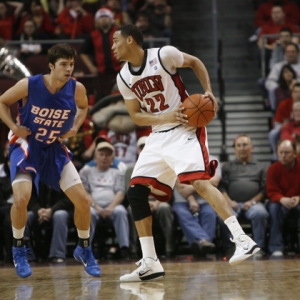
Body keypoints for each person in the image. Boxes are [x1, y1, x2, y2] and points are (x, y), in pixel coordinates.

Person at [112, 24, 260, 282]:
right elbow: (136, 116)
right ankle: (150, 261)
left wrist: (209, 92)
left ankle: (242, 239)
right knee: (135, 191)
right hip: (157, 135)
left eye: (116, 41)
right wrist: (166, 115)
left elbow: (195, 62)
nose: (112, 46)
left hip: (185, 128)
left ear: (131, 40)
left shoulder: (163, 55)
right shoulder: (123, 77)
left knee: (200, 183)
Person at [0, 43, 101, 278]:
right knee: (21, 199)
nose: (68, 69)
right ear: (51, 66)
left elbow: (84, 107)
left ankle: (84, 249)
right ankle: (18, 249)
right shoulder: (29, 84)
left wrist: (76, 126)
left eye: (72, 64)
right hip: (27, 145)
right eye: (64, 64)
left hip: (53, 146)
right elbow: (2, 101)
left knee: (84, 201)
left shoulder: (77, 89)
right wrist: (15, 126)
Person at [218, 134, 269, 259]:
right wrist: (229, 202)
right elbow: (222, 187)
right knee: (223, 216)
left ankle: (258, 248)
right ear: (235, 149)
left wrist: (252, 202)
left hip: (253, 204)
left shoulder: (261, 166)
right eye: (238, 145)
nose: (242, 148)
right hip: (232, 204)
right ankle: (230, 248)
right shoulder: (227, 167)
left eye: (245, 145)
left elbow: (264, 189)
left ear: (252, 148)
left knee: (261, 213)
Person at [79, 137, 130, 259]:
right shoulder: (86, 172)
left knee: (121, 211)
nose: (104, 157)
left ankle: (124, 249)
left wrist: (111, 208)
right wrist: (96, 207)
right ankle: (86, 249)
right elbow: (84, 192)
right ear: (95, 157)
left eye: (107, 155)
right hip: (93, 206)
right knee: (87, 213)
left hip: (112, 206)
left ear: (112, 159)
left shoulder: (117, 172)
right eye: (101, 154)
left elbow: (121, 193)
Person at [172, 155, 219, 257]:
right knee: (182, 213)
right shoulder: (177, 160)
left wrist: (192, 186)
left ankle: (201, 246)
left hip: (206, 200)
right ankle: (204, 243)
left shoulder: (212, 159)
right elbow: (181, 188)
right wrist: (204, 182)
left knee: (210, 213)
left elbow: (215, 181)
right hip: (182, 201)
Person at [266, 139, 300, 257]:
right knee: (274, 209)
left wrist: (298, 198)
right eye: (280, 153)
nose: (283, 156)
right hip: (279, 202)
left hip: (298, 201)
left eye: (287, 152)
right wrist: (281, 199)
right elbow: (271, 191)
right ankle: (276, 247)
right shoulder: (273, 169)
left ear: (295, 153)